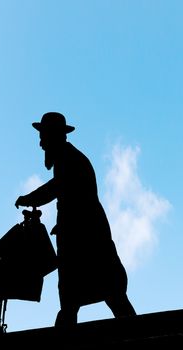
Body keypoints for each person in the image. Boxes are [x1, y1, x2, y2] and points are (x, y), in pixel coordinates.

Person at [15, 112, 136, 327]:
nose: (41, 144)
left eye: (43, 137)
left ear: (53, 136)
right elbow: (73, 197)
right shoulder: (69, 158)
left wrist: (29, 198)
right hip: (84, 236)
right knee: (101, 295)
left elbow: (57, 188)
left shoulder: (68, 160)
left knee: (86, 297)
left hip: (87, 240)